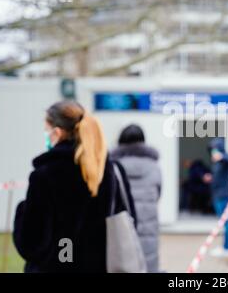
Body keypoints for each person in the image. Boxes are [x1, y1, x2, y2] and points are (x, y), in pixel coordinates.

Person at [13, 100, 136, 273]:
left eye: (46, 131)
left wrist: (21, 210)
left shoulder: (45, 175)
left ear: (57, 132)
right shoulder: (110, 170)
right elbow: (129, 222)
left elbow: (32, 243)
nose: (46, 135)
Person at [111, 124, 162, 273]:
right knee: (149, 262)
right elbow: (158, 193)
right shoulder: (154, 166)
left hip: (121, 226)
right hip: (148, 225)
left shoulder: (112, 166)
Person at [205, 138, 228, 257]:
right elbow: (218, 177)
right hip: (217, 195)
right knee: (222, 223)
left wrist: (221, 157)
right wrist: (210, 178)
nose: (213, 151)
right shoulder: (217, 164)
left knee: (225, 223)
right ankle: (225, 246)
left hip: (224, 196)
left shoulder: (226, 159)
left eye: (215, 149)